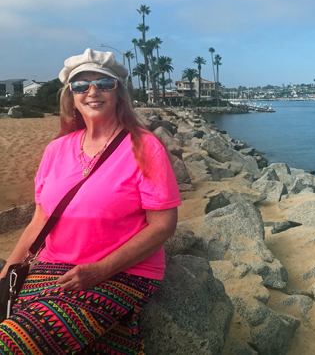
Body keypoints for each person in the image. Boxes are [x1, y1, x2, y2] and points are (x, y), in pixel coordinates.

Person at [0, 49, 180, 354]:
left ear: (119, 93)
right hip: (53, 266)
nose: (92, 92)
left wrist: (101, 270)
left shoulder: (146, 147)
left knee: (14, 341)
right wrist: (6, 275)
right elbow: (40, 221)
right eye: (81, 86)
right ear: (71, 97)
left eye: (103, 84)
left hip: (124, 272)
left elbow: (163, 225)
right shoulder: (56, 150)